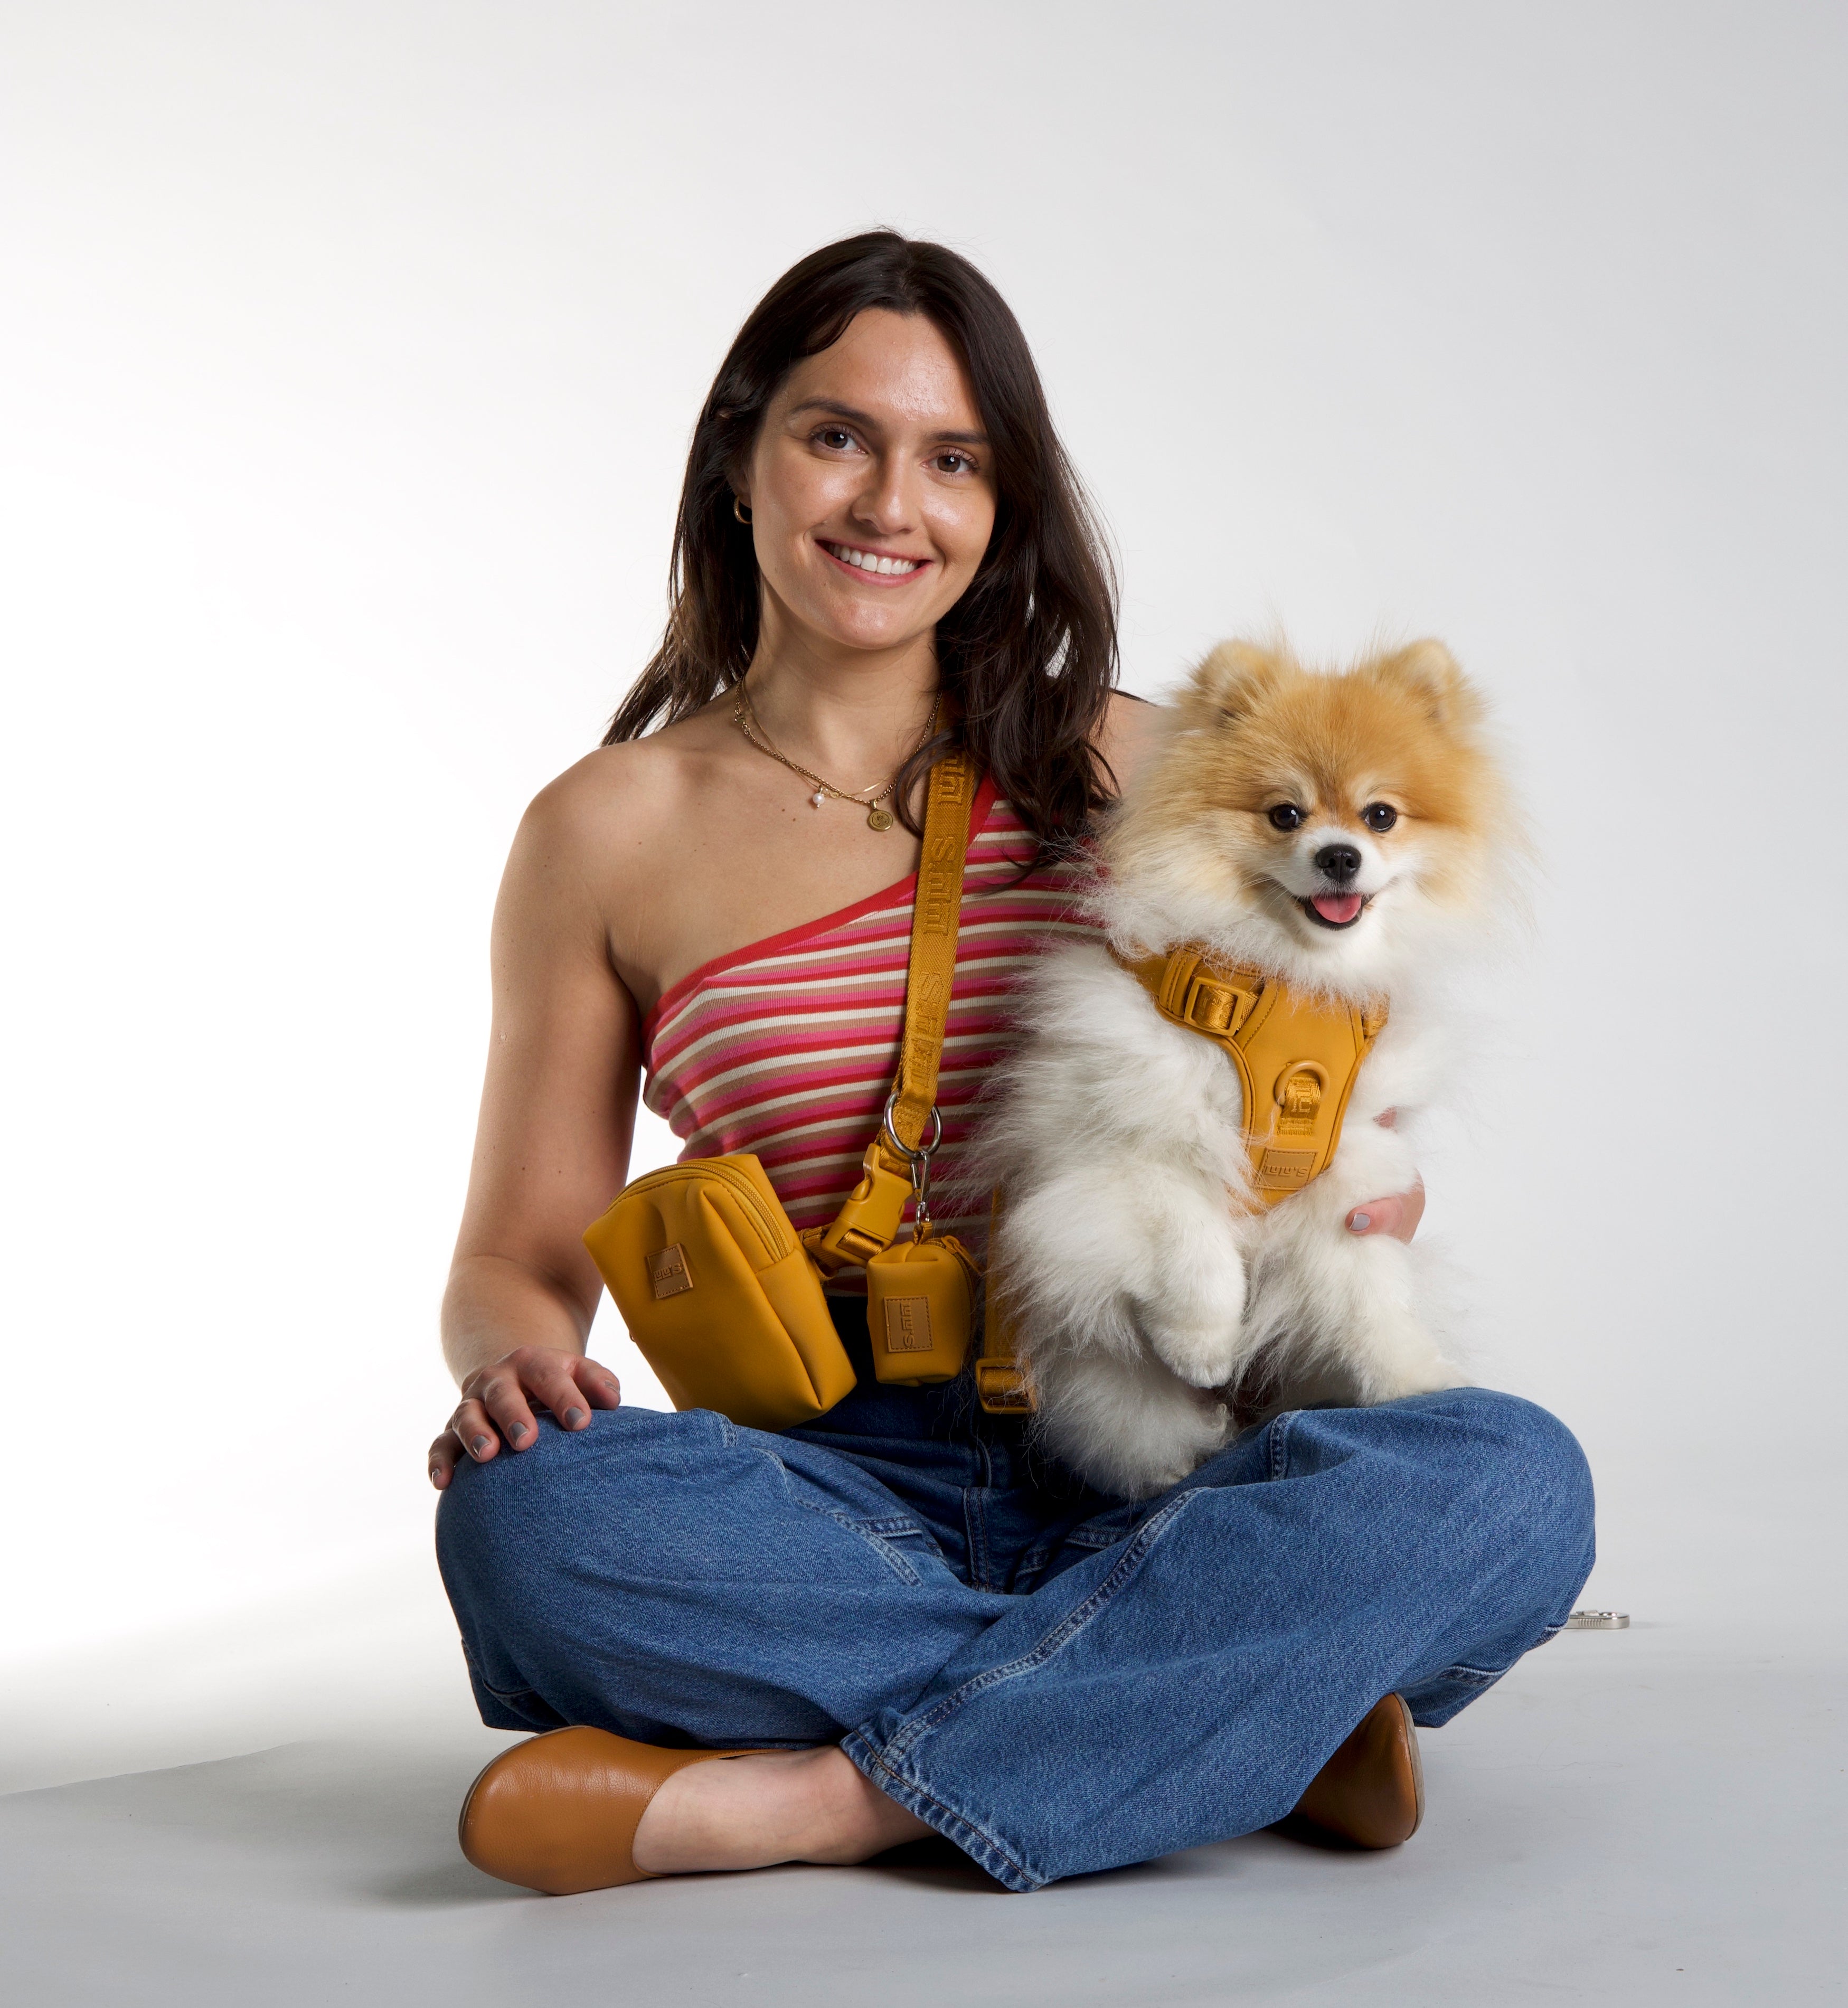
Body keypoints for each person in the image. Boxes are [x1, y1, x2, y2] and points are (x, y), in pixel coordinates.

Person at [430, 232, 1594, 1896]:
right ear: (737, 455)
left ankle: (824, 1800)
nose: (890, 502)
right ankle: (1236, 1707)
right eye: (838, 435)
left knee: (1509, 1483)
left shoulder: (1140, 765)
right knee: (528, 1521)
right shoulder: (603, 831)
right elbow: (518, 1255)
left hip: (1177, 1439)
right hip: (834, 1472)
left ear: (1003, 501)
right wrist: (506, 1370)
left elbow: (1328, 1047)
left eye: (954, 459)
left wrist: (1352, 1182)